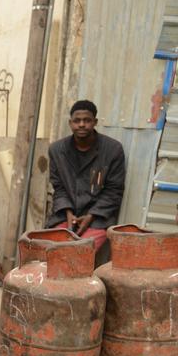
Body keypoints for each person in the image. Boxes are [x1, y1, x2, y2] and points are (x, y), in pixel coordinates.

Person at [46, 100, 126, 252]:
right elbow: (59, 187)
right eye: (77, 121)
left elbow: (113, 191)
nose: (82, 124)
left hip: (98, 219)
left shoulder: (113, 150)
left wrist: (91, 215)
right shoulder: (57, 150)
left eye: (87, 120)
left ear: (95, 122)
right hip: (65, 216)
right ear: (70, 123)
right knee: (52, 250)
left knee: (79, 253)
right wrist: (68, 213)